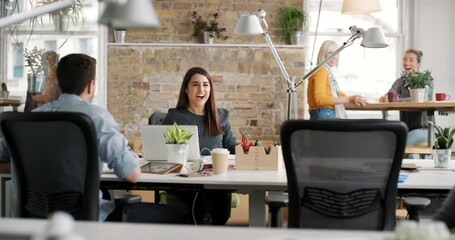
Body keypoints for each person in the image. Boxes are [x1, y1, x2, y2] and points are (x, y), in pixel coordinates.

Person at [0, 53, 183, 222]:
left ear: (59, 83)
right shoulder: (95, 117)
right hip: (89, 221)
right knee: (178, 217)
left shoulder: (28, 119)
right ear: (90, 85)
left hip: (35, 219)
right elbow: (132, 175)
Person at [163, 67, 237, 225]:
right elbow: (164, 150)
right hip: (184, 179)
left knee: (223, 195)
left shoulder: (221, 116)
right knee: (200, 194)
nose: (201, 89)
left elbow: (231, 146)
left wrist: (251, 149)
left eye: (206, 84)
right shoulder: (175, 116)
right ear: (186, 89)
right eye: (195, 84)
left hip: (214, 177)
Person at [379, 49, 434, 146]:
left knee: (403, 143)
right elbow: (390, 95)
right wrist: (385, 98)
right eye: (405, 59)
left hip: (425, 129)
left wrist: (397, 100)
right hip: (405, 128)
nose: (406, 62)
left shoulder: (427, 81)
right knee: (388, 140)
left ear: (418, 64)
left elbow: (421, 99)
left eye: (411, 60)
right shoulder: (400, 81)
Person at [307, 40, 366, 120]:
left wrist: (354, 99)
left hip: (323, 114)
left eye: (336, 53)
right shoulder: (321, 71)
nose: (335, 57)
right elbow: (319, 100)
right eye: (330, 53)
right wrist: (349, 99)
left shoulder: (327, 72)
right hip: (324, 114)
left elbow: (336, 95)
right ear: (323, 54)